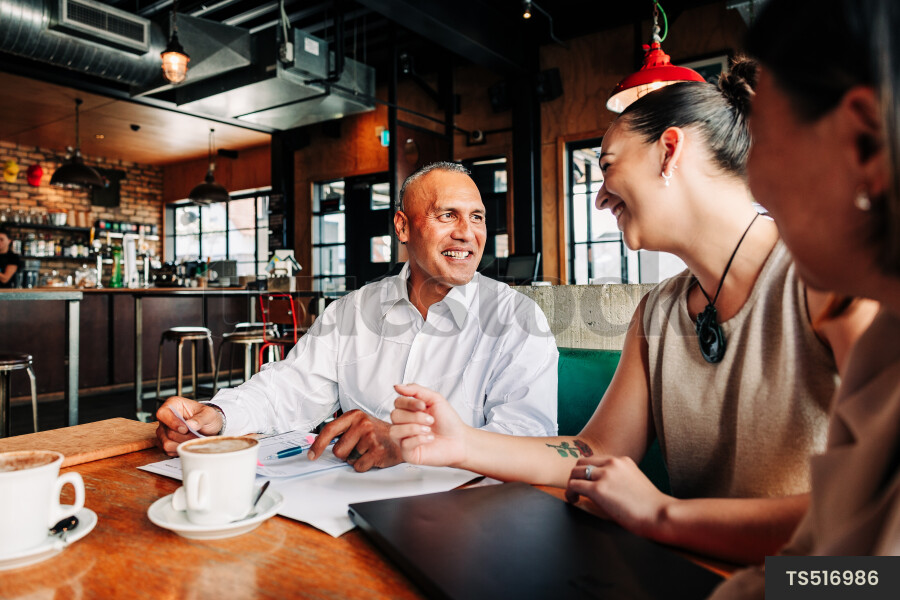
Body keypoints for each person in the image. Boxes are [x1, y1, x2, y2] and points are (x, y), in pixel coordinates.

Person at [390, 65, 879, 564]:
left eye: (606, 166)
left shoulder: (834, 276)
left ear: (670, 151)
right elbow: (596, 449)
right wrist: (460, 443)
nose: (601, 197)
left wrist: (662, 515)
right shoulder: (659, 312)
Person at [155, 161, 558, 472]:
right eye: (447, 215)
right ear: (402, 226)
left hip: (467, 522)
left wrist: (409, 445)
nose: (467, 232)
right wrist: (218, 417)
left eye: (477, 217)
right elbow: (289, 388)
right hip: (347, 511)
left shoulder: (518, 318)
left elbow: (528, 439)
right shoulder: (352, 311)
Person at [709, 0, 900, 596]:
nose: (756, 183)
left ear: (864, 142)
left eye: (763, 139)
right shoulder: (884, 348)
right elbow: (847, 575)